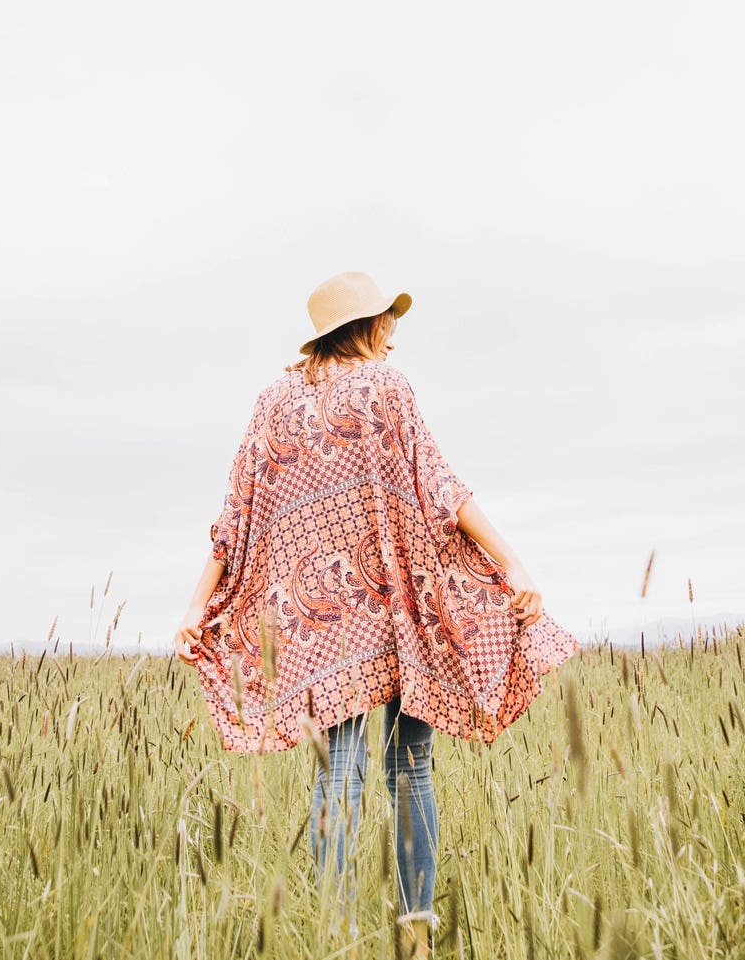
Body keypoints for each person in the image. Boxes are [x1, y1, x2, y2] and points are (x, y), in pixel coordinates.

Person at [174, 271, 580, 958]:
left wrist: (196, 604)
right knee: (411, 766)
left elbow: (235, 517)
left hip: (319, 622)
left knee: (337, 772)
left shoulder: (273, 402)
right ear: (362, 326)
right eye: (385, 321)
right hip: (399, 606)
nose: (392, 332)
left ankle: (333, 935)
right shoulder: (387, 387)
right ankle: (416, 936)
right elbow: (439, 486)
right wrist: (509, 560)